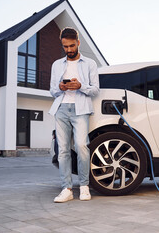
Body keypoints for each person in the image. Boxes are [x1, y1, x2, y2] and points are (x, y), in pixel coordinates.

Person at [49, 27, 99, 202]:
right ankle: (67, 189)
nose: (69, 50)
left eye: (71, 46)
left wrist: (80, 86)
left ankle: (84, 186)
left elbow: (95, 90)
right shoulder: (56, 64)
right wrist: (60, 88)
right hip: (61, 108)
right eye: (65, 47)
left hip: (81, 109)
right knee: (63, 150)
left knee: (81, 146)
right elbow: (52, 91)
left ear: (78, 43)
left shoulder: (90, 64)